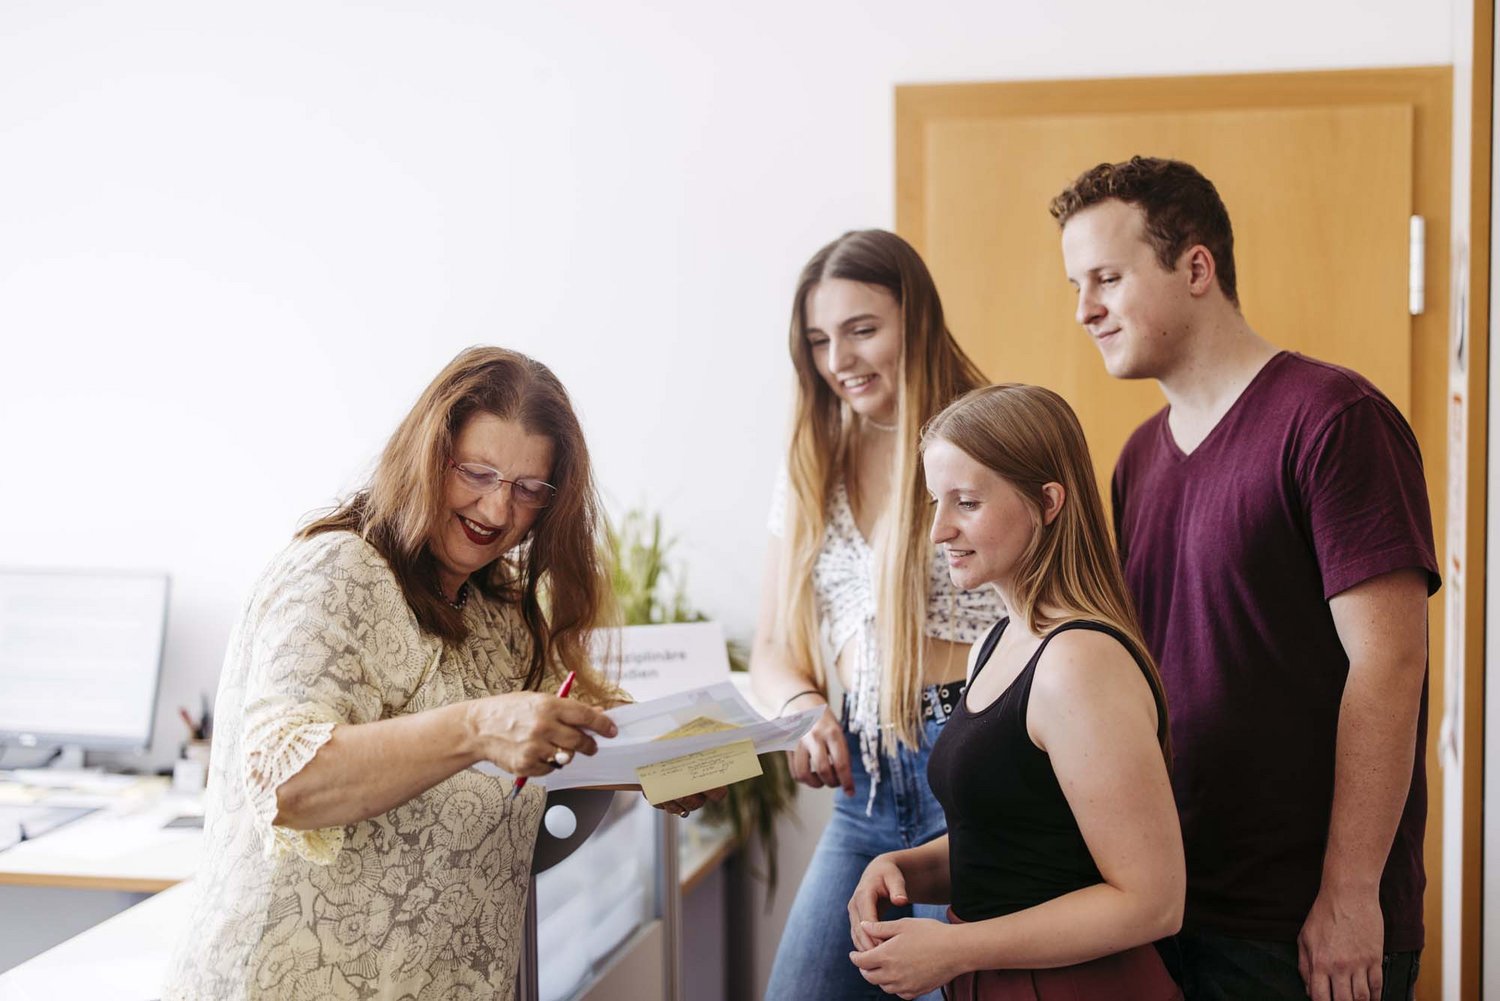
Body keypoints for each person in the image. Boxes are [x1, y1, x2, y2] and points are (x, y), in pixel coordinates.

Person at [163, 346, 713, 1000]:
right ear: (429, 454)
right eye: (477, 472)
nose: (496, 509)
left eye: (529, 489)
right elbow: (287, 783)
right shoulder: (337, 573)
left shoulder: (497, 605)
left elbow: (546, 736)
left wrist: (669, 760)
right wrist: (475, 727)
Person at [1052, 156, 1441, 1001]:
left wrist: (1349, 894)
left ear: (1197, 267)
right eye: (1076, 285)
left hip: (1299, 929)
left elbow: (1390, 666)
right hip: (1167, 906)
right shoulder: (1138, 460)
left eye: (1107, 279)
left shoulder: (1333, 421)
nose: (1084, 309)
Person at [846, 383, 1184, 1000]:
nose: (939, 530)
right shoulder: (995, 645)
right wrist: (903, 868)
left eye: (967, 503)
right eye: (934, 502)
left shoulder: (1078, 663)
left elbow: (1152, 902)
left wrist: (955, 948)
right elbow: (1015, 841)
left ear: (1047, 502)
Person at [752, 229, 1003, 1001]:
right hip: (863, 788)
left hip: (968, 768)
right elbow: (770, 646)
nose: (840, 360)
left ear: (915, 318)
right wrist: (801, 708)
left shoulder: (990, 438)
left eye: (863, 329)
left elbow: (1060, 619)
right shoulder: (812, 461)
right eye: (821, 340)